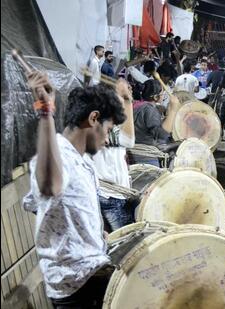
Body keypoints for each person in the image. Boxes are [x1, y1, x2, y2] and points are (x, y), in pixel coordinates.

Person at [22, 71, 127, 307]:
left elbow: (44, 206)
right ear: (93, 119)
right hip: (76, 288)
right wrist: (45, 112)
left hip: (90, 273)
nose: (107, 140)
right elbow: (49, 186)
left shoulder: (83, 161)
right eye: (108, 130)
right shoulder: (57, 155)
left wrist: (89, 233)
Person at [92, 80, 135, 232]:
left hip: (115, 195)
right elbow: (129, 141)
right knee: (122, 247)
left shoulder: (107, 124)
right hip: (110, 197)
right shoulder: (100, 126)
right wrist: (127, 102)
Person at [133, 80, 181, 166]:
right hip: (146, 158)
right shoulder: (150, 110)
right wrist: (173, 110)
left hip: (135, 155)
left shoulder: (138, 106)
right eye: (162, 94)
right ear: (156, 97)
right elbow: (162, 135)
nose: (163, 97)